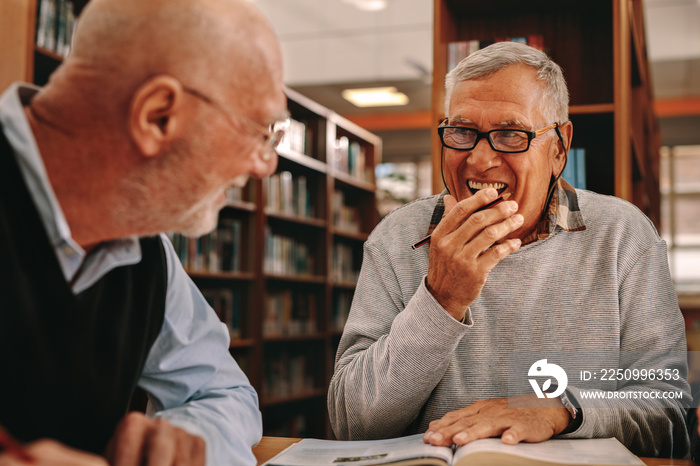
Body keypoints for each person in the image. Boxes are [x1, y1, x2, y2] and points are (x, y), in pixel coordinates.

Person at [327, 41, 690, 458]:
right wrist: (441, 301)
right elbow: (351, 424)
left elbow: (672, 419)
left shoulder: (625, 237)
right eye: (462, 132)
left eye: (510, 134)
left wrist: (563, 409)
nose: (479, 161)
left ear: (558, 149)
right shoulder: (394, 239)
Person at [0, 0, 288, 464]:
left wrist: (181, 436)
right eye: (259, 132)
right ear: (157, 115)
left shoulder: (143, 251)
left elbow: (225, 392)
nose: (265, 165)